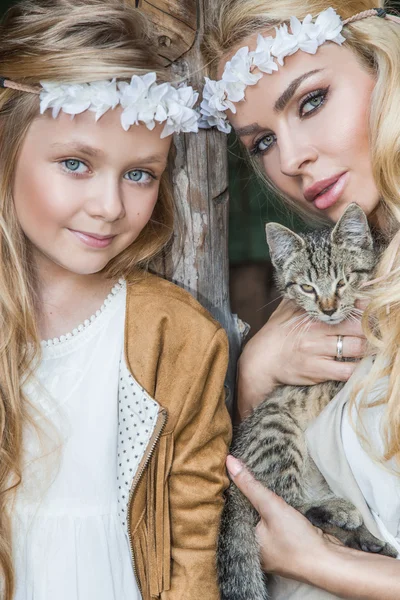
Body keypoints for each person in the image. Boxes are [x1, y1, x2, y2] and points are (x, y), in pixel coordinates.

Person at [0, 1, 232, 599]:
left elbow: (192, 537)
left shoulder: (176, 335)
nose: (110, 206)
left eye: (140, 174)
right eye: (75, 163)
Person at [203, 1, 400, 598]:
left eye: (310, 101)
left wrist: (321, 563)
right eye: (261, 141)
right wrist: (256, 376)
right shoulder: (350, 286)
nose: (289, 161)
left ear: (385, 62)